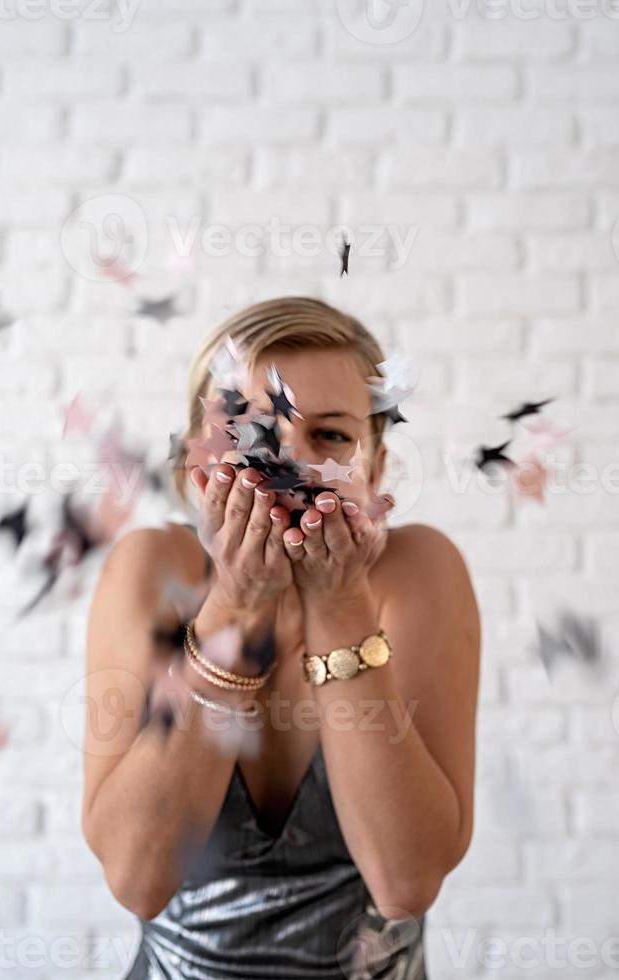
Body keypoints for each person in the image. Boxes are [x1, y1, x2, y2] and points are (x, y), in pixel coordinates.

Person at [81, 296, 481, 979]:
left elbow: (405, 882)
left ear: (376, 469)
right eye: (251, 433)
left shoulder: (420, 572)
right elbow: (139, 879)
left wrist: (341, 604)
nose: (287, 464)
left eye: (329, 437)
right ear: (194, 464)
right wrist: (235, 608)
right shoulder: (150, 569)